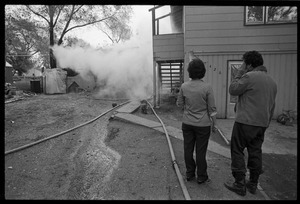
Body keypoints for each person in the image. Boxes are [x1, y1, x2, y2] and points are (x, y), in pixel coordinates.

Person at [224, 51, 277, 196]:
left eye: (244, 64)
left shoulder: (248, 76)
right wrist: (265, 124)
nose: (242, 66)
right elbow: (272, 106)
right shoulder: (272, 82)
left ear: (249, 64)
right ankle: (253, 184)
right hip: (261, 124)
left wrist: (239, 72)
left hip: (245, 122)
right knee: (255, 152)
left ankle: (239, 183)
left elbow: (233, 89)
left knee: (237, 150)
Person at [177, 58, 217, 184]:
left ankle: (189, 174)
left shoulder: (184, 86)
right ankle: (201, 176)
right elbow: (212, 109)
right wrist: (214, 124)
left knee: (188, 149)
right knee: (201, 151)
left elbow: (179, 104)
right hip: (203, 125)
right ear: (203, 72)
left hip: (187, 123)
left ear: (189, 72)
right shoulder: (207, 87)